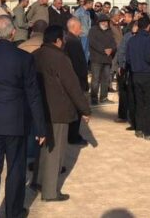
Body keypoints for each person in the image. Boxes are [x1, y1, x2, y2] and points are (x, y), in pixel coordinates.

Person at [0, 15, 46, 218]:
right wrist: (40, 127)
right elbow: (33, 94)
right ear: (13, 33)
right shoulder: (24, 58)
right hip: (15, 121)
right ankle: (13, 212)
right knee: (15, 169)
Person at [31, 25, 91, 202]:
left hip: (39, 108)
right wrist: (85, 109)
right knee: (55, 151)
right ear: (57, 40)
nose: (64, 41)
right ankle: (50, 192)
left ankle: (38, 181)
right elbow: (72, 86)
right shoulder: (60, 58)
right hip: (58, 109)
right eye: (63, 38)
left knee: (43, 148)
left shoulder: (35, 55)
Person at [126, 15, 150, 141]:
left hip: (135, 74)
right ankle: (149, 131)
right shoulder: (149, 41)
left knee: (139, 102)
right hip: (148, 74)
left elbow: (128, 59)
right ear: (148, 26)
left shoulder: (131, 40)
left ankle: (139, 128)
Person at [63, 18, 89, 145]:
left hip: (72, 79)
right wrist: (83, 80)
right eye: (80, 27)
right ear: (73, 27)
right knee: (76, 109)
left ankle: (72, 134)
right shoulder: (73, 42)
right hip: (76, 80)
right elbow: (78, 63)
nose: (81, 29)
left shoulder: (68, 39)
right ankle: (73, 136)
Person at [88, 14, 117, 104]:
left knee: (105, 79)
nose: (105, 23)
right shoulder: (93, 30)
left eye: (106, 22)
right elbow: (92, 43)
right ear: (99, 22)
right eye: (103, 22)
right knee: (95, 80)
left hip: (107, 59)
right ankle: (94, 98)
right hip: (96, 59)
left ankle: (104, 98)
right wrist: (104, 50)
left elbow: (114, 43)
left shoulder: (109, 31)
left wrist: (111, 49)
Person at [115, 8, 136, 125]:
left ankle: (125, 116)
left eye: (126, 16)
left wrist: (121, 65)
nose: (124, 18)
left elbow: (122, 50)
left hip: (128, 66)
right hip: (131, 66)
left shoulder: (129, 33)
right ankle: (125, 116)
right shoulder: (127, 31)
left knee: (126, 92)